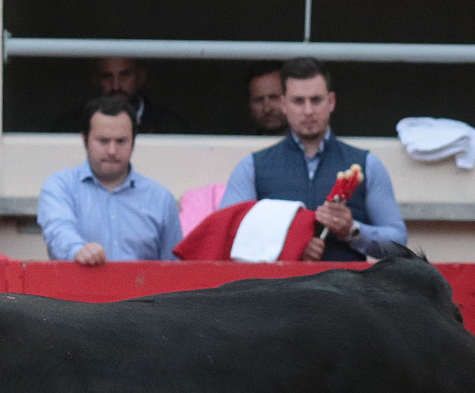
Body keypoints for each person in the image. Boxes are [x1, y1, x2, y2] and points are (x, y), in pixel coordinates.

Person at [220, 57, 407, 262]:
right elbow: (228, 235)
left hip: (346, 291)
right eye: (298, 101)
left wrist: (352, 231)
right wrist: (290, 246)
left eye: (316, 100)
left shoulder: (368, 164)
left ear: (331, 102)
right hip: (281, 291)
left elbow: (399, 243)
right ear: (283, 104)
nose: (308, 111)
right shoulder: (252, 168)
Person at [37, 95, 181, 264]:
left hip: (144, 290)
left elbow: (174, 268)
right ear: (85, 140)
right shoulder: (61, 187)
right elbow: (58, 232)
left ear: (133, 142)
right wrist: (77, 250)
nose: (112, 150)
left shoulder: (161, 199)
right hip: (77, 289)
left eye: (121, 141)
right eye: (103, 141)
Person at [86, 56, 186, 134]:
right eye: (107, 76)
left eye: (125, 75)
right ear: (95, 79)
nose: (116, 86)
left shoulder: (170, 125)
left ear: (141, 76)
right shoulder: (77, 123)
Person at [246, 63, 288, 135]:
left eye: (274, 98)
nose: (267, 109)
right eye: (259, 100)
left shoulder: (310, 145)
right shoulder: (240, 144)